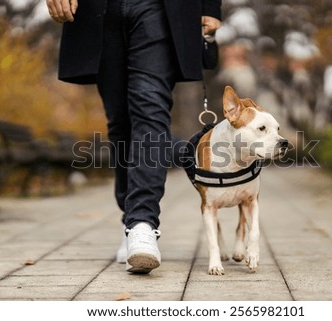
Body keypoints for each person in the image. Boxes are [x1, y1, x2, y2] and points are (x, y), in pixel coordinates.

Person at [46, 0, 222, 273]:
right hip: (97, 8)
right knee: (120, 120)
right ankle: (130, 218)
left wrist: (210, 5)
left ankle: (142, 223)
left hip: (160, 7)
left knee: (151, 108)